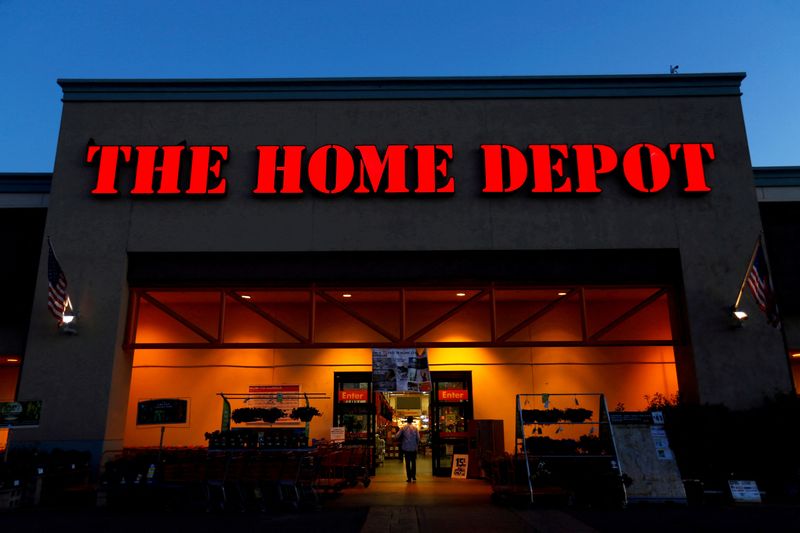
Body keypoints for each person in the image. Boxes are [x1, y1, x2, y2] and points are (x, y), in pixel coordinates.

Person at [396, 416, 420, 482]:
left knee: (407, 463)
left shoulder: (403, 428)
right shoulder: (415, 428)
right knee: (413, 463)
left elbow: (397, 436)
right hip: (413, 448)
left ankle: (409, 478)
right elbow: (418, 438)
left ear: (407, 420)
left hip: (406, 448)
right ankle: (414, 477)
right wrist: (416, 444)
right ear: (412, 421)